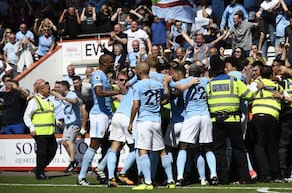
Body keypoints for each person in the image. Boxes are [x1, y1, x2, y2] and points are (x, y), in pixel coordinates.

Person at [77, 54, 127, 186]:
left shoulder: (105, 76)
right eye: (111, 62)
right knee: (94, 144)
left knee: (119, 141)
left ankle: (100, 166)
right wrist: (118, 92)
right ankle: (82, 176)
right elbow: (99, 92)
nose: (113, 64)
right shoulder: (97, 75)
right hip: (99, 115)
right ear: (104, 63)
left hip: (108, 114)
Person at [207, 55, 254, 184]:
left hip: (217, 121)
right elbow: (249, 95)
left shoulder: (210, 84)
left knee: (220, 151)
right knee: (239, 149)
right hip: (233, 119)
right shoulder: (234, 81)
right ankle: (245, 178)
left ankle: (223, 179)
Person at [128, 61, 174, 190]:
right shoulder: (158, 85)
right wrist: (165, 85)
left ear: (140, 72)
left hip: (144, 121)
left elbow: (136, 105)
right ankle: (171, 180)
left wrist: (131, 122)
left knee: (143, 151)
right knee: (161, 151)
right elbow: (165, 99)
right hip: (156, 121)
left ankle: (148, 182)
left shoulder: (137, 86)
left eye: (136, 70)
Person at [170, 63, 218, 186]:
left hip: (191, 116)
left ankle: (180, 177)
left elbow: (174, 91)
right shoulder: (206, 81)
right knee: (206, 147)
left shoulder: (184, 81)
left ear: (188, 73)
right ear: (200, 72)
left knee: (184, 146)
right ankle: (213, 175)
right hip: (205, 115)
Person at [23, 80, 56, 180]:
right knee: (42, 153)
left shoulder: (49, 101)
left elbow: (50, 115)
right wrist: (31, 128)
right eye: (48, 88)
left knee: (52, 150)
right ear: (41, 89)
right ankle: (40, 173)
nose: (50, 90)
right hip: (40, 132)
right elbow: (26, 116)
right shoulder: (34, 101)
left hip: (49, 131)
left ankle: (39, 169)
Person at [51, 81, 82, 173]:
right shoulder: (63, 95)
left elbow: (75, 101)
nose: (58, 89)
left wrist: (63, 98)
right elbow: (54, 92)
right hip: (68, 123)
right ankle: (74, 160)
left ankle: (72, 162)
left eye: (59, 87)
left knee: (69, 141)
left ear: (64, 87)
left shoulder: (72, 94)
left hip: (74, 122)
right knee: (64, 142)